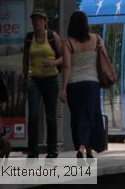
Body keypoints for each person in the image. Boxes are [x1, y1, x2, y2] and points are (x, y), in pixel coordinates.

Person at [60, 11, 107, 162]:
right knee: (90, 115)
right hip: (92, 83)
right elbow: (104, 59)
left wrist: (64, 88)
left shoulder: (67, 43)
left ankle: (84, 149)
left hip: (74, 84)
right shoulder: (97, 39)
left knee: (78, 116)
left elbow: (67, 66)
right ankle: (85, 149)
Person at [22, 9, 63, 159]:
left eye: (40, 19)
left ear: (45, 21)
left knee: (50, 116)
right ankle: (33, 151)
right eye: (34, 19)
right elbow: (25, 59)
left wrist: (52, 62)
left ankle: (52, 151)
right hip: (34, 80)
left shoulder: (52, 37)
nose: (37, 22)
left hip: (51, 79)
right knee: (33, 115)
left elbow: (64, 58)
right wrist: (25, 77)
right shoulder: (28, 38)